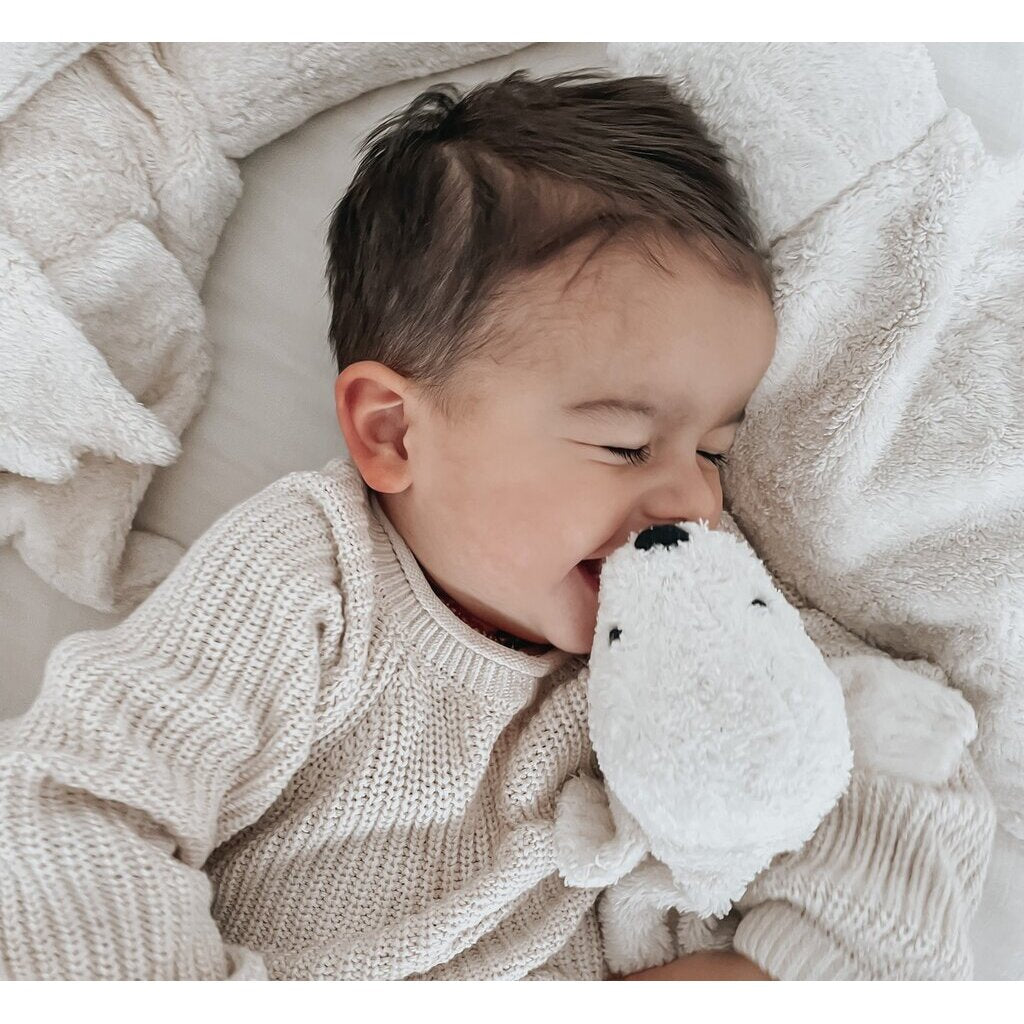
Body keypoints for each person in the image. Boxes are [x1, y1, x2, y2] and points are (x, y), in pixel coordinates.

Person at [0, 69, 994, 980]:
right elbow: (74, 801)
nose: (693, 501)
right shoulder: (309, 576)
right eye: (623, 445)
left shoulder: (700, 603)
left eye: (716, 452)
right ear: (395, 432)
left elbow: (903, 763)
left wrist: (770, 973)